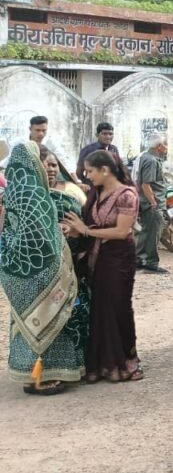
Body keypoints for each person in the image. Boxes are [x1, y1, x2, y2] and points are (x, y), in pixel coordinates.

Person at [0, 143, 88, 395]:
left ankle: (29, 373)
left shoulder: (12, 193)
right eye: (43, 162)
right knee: (51, 319)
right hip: (45, 274)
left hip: (18, 274)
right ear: (34, 164)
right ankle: (47, 374)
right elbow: (42, 238)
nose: (48, 168)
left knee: (26, 321)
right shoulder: (35, 196)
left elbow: (7, 233)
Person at [65, 150, 143, 383]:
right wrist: (75, 230)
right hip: (98, 259)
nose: (88, 176)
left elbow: (122, 231)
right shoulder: (97, 193)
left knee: (117, 308)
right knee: (99, 309)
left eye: (90, 171)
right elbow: (89, 224)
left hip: (118, 259)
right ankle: (102, 364)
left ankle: (125, 363)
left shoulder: (126, 195)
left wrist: (86, 230)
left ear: (105, 170)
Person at [135, 133, 168, 274]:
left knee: (146, 232)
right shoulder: (152, 161)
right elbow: (146, 185)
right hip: (153, 202)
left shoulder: (146, 157)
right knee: (153, 233)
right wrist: (153, 202)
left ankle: (139, 261)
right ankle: (151, 263)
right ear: (160, 147)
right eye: (165, 144)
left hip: (148, 202)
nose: (167, 148)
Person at [77, 123, 121, 187]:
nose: (108, 137)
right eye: (104, 134)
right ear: (97, 135)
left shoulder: (114, 149)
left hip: (110, 187)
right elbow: (79, 171)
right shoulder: (88, 150)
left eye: (110, 134)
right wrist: (87, 183)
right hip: (93, 187)